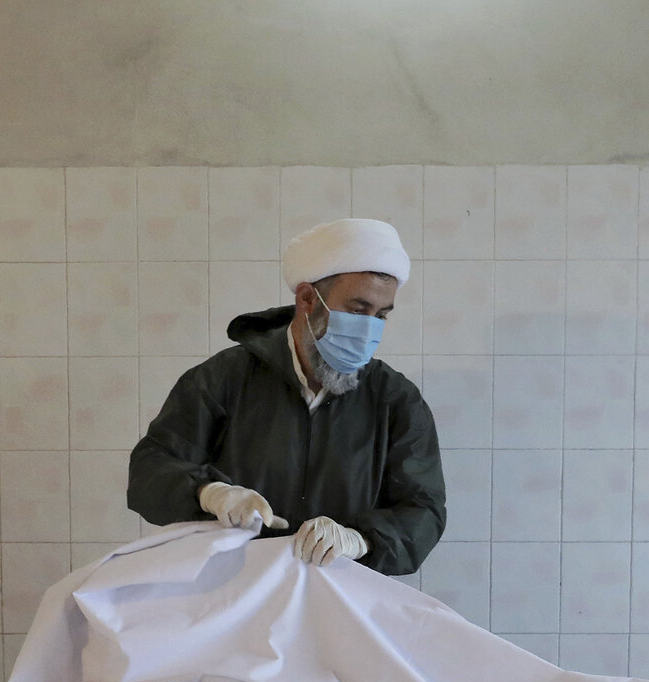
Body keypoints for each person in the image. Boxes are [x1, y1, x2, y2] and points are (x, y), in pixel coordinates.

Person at [127, 218, 445, 575]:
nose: (369, 327)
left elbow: (423, 509)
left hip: (341, 601)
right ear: (307, 298)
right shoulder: (224, 380)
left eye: (381, 315)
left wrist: (361, 540)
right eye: (358, 310)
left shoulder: (395, 400)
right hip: (231, 596)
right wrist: (210, 492)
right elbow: (149, 471)